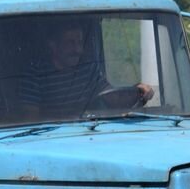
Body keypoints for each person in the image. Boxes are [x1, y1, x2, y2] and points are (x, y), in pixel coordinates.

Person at [18, 21, 153, 118]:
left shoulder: (87, 70)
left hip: (87, 129)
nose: (77, 50)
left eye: (79, 42)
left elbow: (112, 98)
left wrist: (138, 92)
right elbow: (31, 118)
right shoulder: (35, 75)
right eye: (70, 43)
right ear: (53, 45)